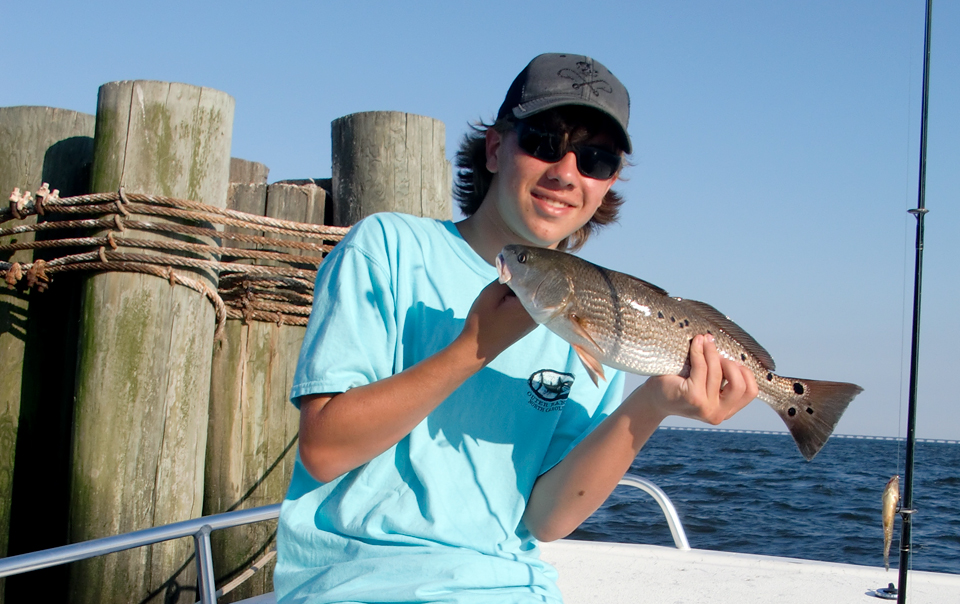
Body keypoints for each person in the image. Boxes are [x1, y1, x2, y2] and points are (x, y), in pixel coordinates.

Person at [274, 53, 758, 603]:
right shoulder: (388, 249)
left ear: (608, 184)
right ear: (496, 148)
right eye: (545, 142)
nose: (565, 172)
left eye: (594, 159)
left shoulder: (605, 321)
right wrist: (473, 349)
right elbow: (325, 450)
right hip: (360, 585)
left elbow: (548, 520)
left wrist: (650, 405)